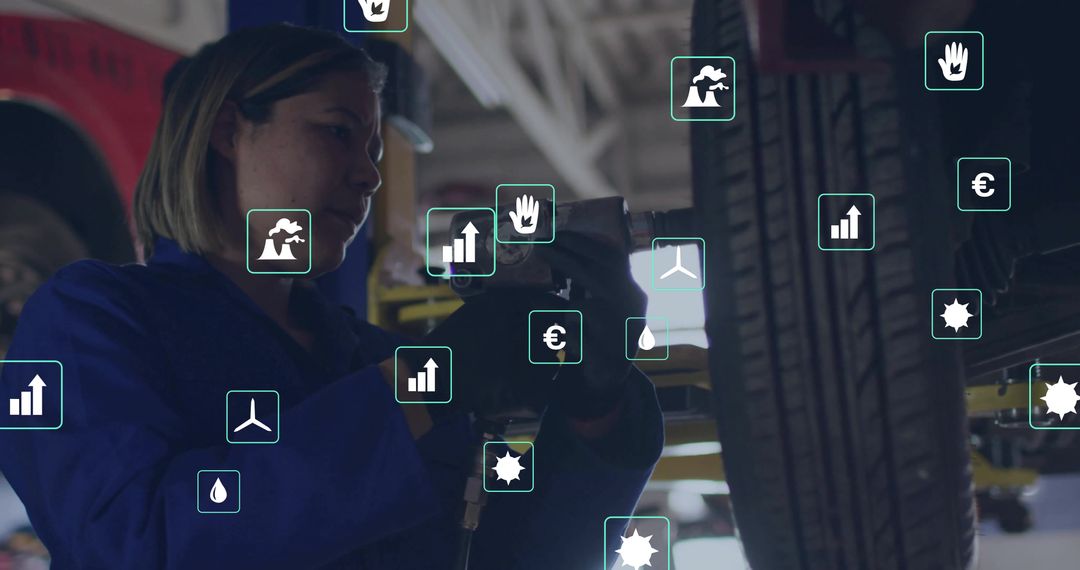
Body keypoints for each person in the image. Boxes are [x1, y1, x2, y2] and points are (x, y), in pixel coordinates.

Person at [0, 24, 664, 569]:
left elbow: (502, 559)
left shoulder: (370, 357)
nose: (371, 175)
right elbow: (134, 545)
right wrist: (420, 389)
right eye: (338, 131)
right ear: (229, 131)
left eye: (375, 150)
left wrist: (597, 414)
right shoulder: (90, 319)